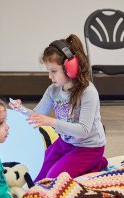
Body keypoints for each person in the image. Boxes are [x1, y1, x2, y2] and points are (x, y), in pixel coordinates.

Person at [9, 34, 107, 182]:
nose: (50, 76)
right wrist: (20, 109)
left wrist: (52, 122)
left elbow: (84, 131)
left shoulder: (88, 92)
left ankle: (97, 163)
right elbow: (36, 115)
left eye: (53, 71)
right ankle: (79, 164)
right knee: (36, 175)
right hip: (65, 143)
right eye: (48, 71)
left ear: (70, 69)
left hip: (89, 148)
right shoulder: (53, 90)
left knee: (52, 179)